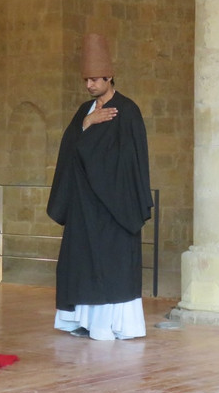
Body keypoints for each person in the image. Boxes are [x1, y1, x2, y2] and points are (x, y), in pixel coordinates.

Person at [47, 33, 153, 341]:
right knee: (82, 262)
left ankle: (112, 325)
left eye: (95, 79)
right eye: (87, 80)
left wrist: (103, 174)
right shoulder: (85, 111)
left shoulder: (128, 111)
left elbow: (129, 161)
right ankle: (85, 321)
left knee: (111, 265)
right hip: (84, 207)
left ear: (109, 77)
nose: (90, 85)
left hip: (114, 208)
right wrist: (86, 125)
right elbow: (69, 149)